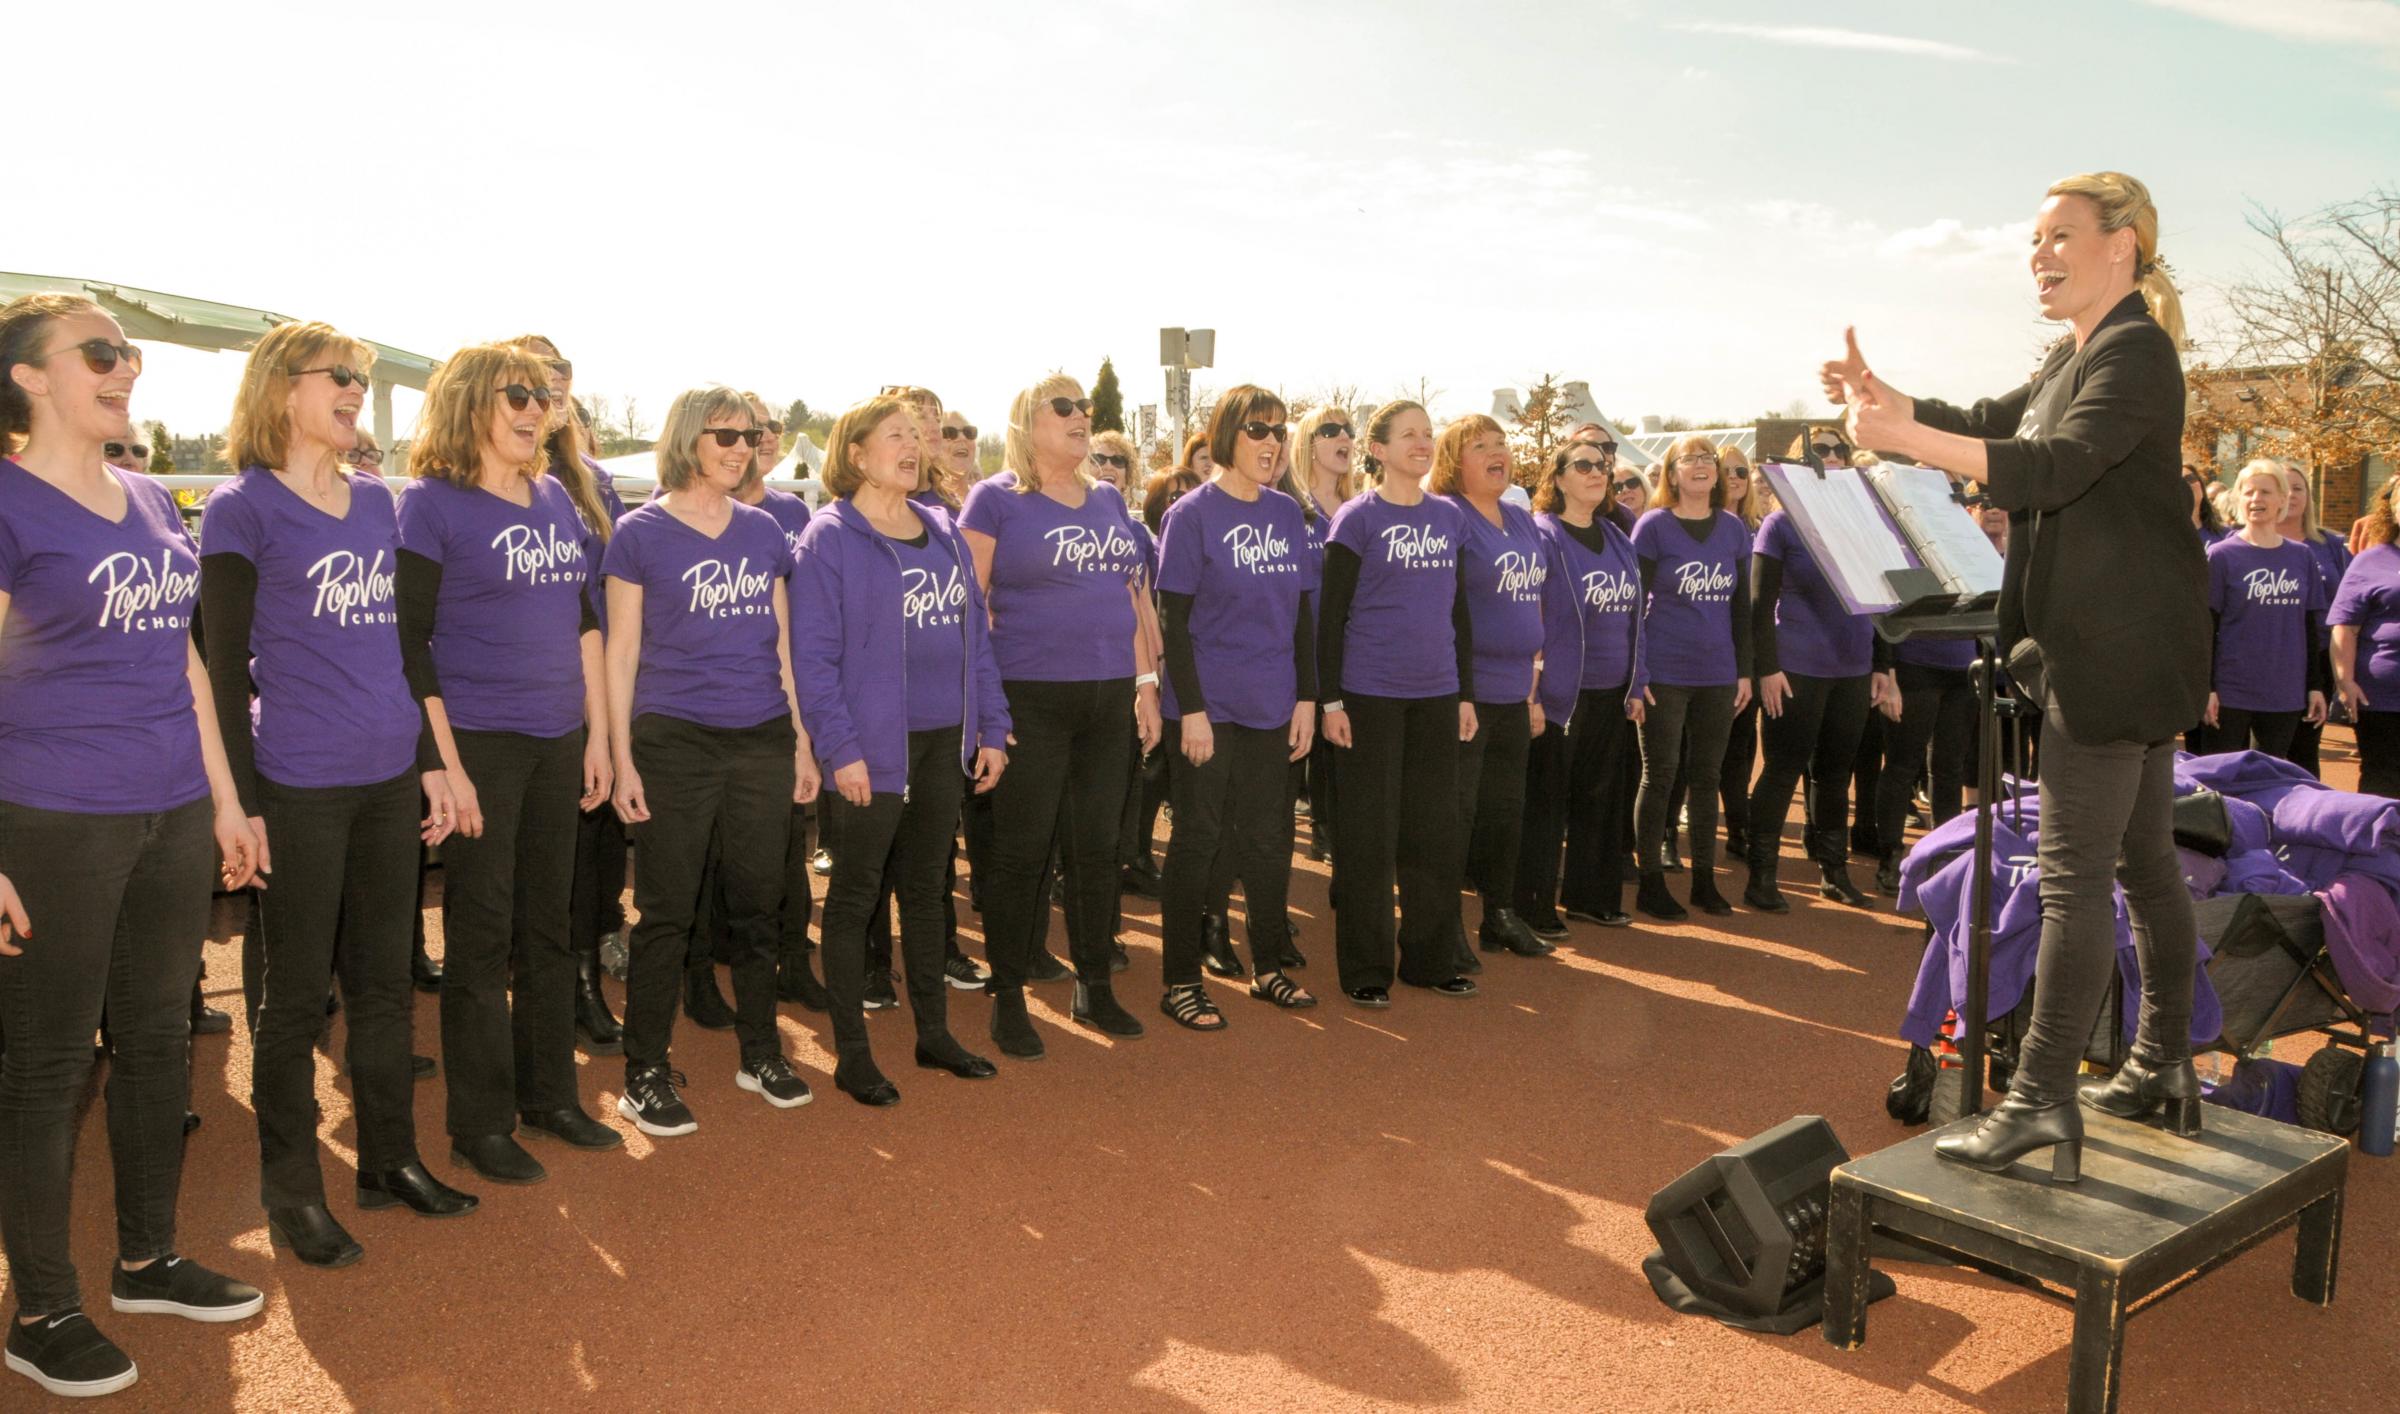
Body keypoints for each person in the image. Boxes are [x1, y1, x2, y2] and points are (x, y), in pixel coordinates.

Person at [1831, 170, 2209, 1181]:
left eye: (2059, 237)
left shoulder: (2136, 353)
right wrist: (1895, 402)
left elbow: (2050, 467)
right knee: (2141, 864)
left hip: (2111, 652)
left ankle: (2041, 1098)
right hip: (2121, 643)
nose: (2038, 256)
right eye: (2032, 241)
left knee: (2078, 878)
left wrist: (1904, 441)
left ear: (2121, 246)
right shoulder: (2074, 353)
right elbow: (1991, 416)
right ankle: (2164, 1061)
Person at [0, 293, 265, 1400]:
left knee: (160, 1040)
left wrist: (222, 799)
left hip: (167, 809)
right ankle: (43, 1307)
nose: (127, 370)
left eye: (131, 354)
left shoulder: (153, 493)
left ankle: (148, 1257)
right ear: (28, 376)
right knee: (51, 1065)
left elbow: (188, 662)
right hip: (53, 815)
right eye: (101, 354)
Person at [201, 324, 476, 1271]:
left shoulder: (376, 507)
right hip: (300, 786)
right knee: (292, 1005)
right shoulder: (240, 511)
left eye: (363, 378)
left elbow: (407, 649)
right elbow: (223, 666)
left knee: (385, 987)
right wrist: (239, 803)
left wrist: (433, 761)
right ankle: (293, 1195)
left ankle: (389, 1161)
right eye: (342, 378)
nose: (359, 390)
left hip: (389, 779)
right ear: (283, 390)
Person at [398, 341, 619, 1185]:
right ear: (468, 405)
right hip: (479, 746)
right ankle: (480, 1125)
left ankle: (551, 1098)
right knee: (482, 939)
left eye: (542, 397)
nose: (534, 409)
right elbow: (408, 642)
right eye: (514, 395)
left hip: (560, 738)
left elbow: (584, 624)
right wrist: (445, 765)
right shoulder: (431, 505)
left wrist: (597, 736)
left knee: (550, 928)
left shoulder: (560, 497)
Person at [603, 387, 819, 1135]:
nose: (741, 447)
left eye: (751, 435)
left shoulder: (765, 534)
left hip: (761, 735)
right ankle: (645, 1071)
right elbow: (620, 652)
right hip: (674, 741)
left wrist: (801, 740)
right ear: (690, 438)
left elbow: (783, 646)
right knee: (667, 914)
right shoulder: (638, 534)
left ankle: (760, 1051)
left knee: (759, 907)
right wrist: (621, 758)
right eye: (724, 434)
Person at [790, 395, 1007, 1102]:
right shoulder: (829, 538)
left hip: (946, 741)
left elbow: (978, 639)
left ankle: (934, 1035)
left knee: (926, 892)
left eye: (919, 437)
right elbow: (812, 660)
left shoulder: (943, 529)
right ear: (855, 453)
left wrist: (993, 728)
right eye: (896, 437)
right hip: (871, 750)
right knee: (854, 901)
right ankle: (852, 1053)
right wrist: (841, 749)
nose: (915, 447)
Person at [959, 376, 1161, 1059]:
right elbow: (968, 613)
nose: (1084, 417)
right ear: (1027, 422)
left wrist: (1147, 687)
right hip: (1030, 699)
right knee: (1022, 855)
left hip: (1108, 700)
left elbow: (1129, 597)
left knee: (1099, 849)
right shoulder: (995, 501)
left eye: (1087, 408)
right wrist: (988, 712)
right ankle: (1009, 995)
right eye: (1066, 407)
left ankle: (1095, 984)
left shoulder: (1108, 500)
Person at [1152, 386, 1322, 1027]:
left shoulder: (1288, 515)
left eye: (1279, 431)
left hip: (1273, 704)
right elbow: (1174, 621)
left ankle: (1269, 966)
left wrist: (1306, 698)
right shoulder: (1191, 515)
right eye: (1257, 429)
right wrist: (1190, 709)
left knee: (1267, 840)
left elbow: (1303, 620)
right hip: (1206, 708)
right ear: (1227, 435)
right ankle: (1178, 981)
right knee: (1196, 839)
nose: (1272, 442)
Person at [1316, 400, 1480, 1007]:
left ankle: (1430, 962)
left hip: (1437, 695)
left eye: (1428, 434)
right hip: (1368, 698)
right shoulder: (1356, 520)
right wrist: (1330, 699)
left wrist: (1464, 691)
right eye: (1409, 435)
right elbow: (1329, 619)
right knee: (1368, 837)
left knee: (1432, 835)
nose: (1423, 443)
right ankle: (1366, 969)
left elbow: (1458, 613)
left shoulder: (1449, 519)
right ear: (1378, 450)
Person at [508, 338, 633, 1058]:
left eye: (558, 381)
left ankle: (582, 972)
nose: (547, 394)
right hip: (524, 695)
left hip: (596, 682)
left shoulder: (589, 482)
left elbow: (612, 587)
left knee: (594, 845)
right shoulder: (485, 479)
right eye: (530, 383)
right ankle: (525, 987)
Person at [1433, 415, 1568, 962]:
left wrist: (1534, 691)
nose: (1498, 452)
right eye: (1480, 446)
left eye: (1501, 444)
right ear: (1453, 462)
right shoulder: (1448, 517)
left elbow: (1535, 600)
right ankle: (1444, 925)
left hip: (1515, 690)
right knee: (1457, 813)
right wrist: (1460, 692)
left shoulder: (1521, 518)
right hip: (1465, 692)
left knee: (1505, 810)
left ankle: (1500, 915)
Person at [1742, 460, 1886, 913]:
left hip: (1854, 667)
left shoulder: (1866, 524)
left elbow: (1884, 600)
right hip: (1795, 667)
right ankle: (1761, 875)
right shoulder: (1780, 523)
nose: (1831, 469)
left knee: (1835, 774)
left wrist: (1883, 666)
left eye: (1840, 461)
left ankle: (1833, 872)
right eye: (1821, 461)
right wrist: (1766, 667)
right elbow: (1759, 606)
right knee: (1783, 769)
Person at [1515, 441, 1642, 932]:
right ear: (1559, 478)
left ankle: (1591, 896)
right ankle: (1532, 905)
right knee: (1547, 804)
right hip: (1560, 694)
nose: (1598, 472)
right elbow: (1532, 616)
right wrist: (1532, 693)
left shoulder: (1616, 536)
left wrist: (1638, 680)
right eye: (1584, 465)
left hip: (1612, 690)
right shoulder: (1544, 535)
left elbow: (1637, 618)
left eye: (1603, 466)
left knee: (1601, 799)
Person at [1629, 434, 1753, 920]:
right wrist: (1638, 673)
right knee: (1659, 775)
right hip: (1665, 670)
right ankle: (1650, 884)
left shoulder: (1732, 529)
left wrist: (1744, 670)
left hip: (1718, 673)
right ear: (1672, 472)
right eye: (1689, 460)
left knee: (1707, 776)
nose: (1701, 466)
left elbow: (1741, 607)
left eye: (1708, 459)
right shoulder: (1653, 526)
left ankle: (1704, 882)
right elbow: (1633, 607)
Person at [2197, 460, 2330, 761]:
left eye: (2266, 492)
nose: (2256, 499)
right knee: (2222, 778)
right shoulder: (2221, 556)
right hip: (2231, 690)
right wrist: (2207, 688)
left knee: (2270, 779)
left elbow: (2309, 627)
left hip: (2284, 691)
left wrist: (2315, 687)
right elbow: (2207, 626)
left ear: (2282, 499)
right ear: (2239, 499)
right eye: (2249, 492)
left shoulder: (2302, 556)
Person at [2277, 460, 2351, 778]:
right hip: (2266, 657)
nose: (2292, 495)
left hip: (2318, 658)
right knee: (2266, 748)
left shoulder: (2331, 545)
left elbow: (2350, 603)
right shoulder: (2242, 544)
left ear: (2309, 496)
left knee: (2305, 748)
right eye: (2284, 487)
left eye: (2298, 488)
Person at [2332, 476, 2400, 797]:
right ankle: (2378, 845)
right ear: (2392, 510)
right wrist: (2345, 681)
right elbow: (2345, 626)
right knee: (2381, 779)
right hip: (2381, 697)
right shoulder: (2370, 561)